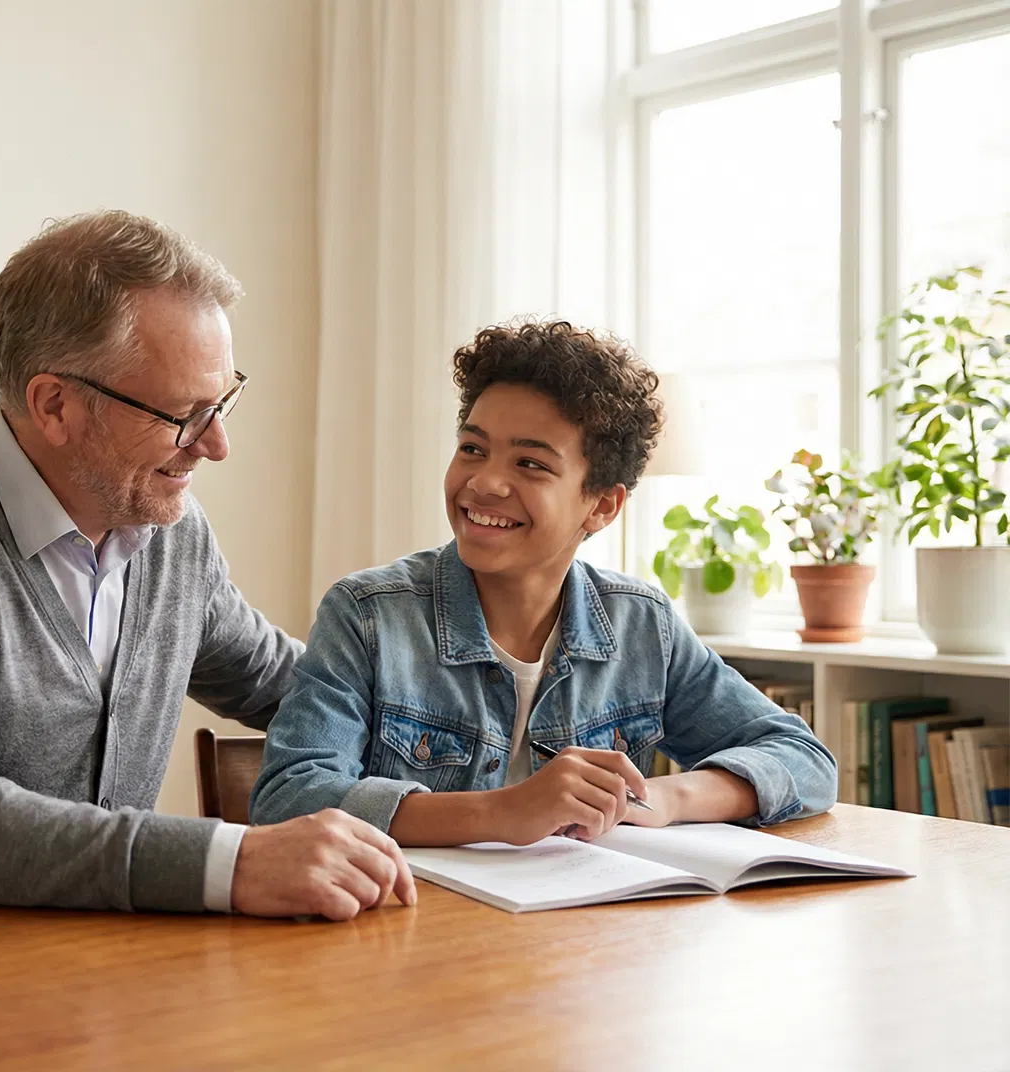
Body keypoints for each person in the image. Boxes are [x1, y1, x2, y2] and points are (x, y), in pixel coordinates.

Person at [0, 210, 415, 921]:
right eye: (183, 414)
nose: (216, 444)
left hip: (67, 982)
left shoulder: (171, 537)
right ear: (54, 405)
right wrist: (234, 861)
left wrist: (509, 762)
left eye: (223, 400)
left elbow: (302, 690)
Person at [250, 321, 837, 844]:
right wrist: (498, 812)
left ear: (602, 506)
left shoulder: (640, 626)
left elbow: (803, 759)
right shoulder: (369, 614)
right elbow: (288, 800)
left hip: (581, 944)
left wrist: (664, 798)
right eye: (472, 449)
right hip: (414, 942)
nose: (485, 483)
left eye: (530, 464)